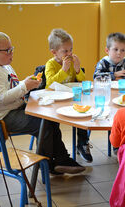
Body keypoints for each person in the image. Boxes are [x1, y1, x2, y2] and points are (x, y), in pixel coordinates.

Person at [0, 31, 85, 175]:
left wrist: (26, 82)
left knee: (51, 118)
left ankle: (60, 159)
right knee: (45, 125)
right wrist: (25, 86)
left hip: (15, 108)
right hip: (4, 117)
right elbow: (2, 97)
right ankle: (48, 164)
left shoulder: (4, 66)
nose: (12, 53)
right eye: (8, 51)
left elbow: (13, 86)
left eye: (12, 49)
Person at [45, 28, 93, 162]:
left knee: (83, 113)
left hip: (72, 99)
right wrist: (64, 69)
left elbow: (83, 82)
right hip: (56, 101)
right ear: (54, 52)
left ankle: (82, 143)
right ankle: (58, 151)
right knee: (53, 125)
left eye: (70, 49)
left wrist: (77, 69)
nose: (69, 53)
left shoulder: (72, 62)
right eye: (65, 51)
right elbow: (49, 84)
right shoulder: (50, 64)